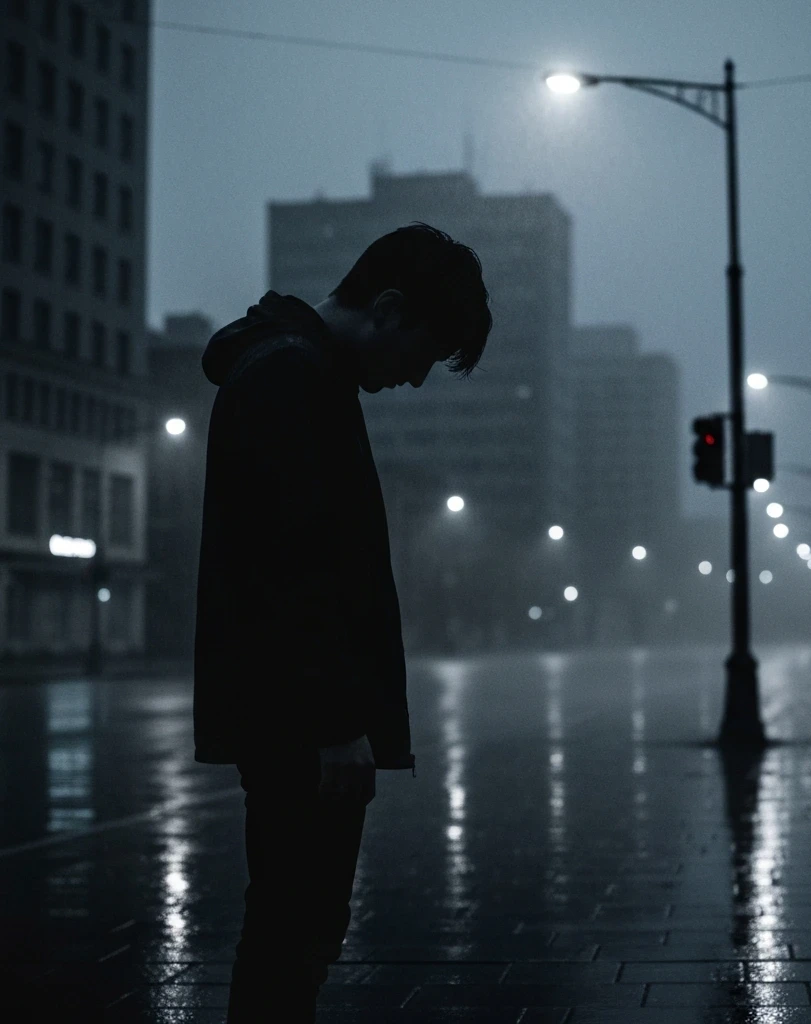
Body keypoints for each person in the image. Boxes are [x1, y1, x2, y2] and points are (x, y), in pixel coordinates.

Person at [192, 222, 492, 1022]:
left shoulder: (298, 370)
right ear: (388, 309)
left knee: (297, 930)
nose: (417, 381)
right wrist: (333, 721)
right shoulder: (293, 378)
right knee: (294, 931)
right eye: (423, 354)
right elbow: (292, 563)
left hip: (295, 715)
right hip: (302, 726)